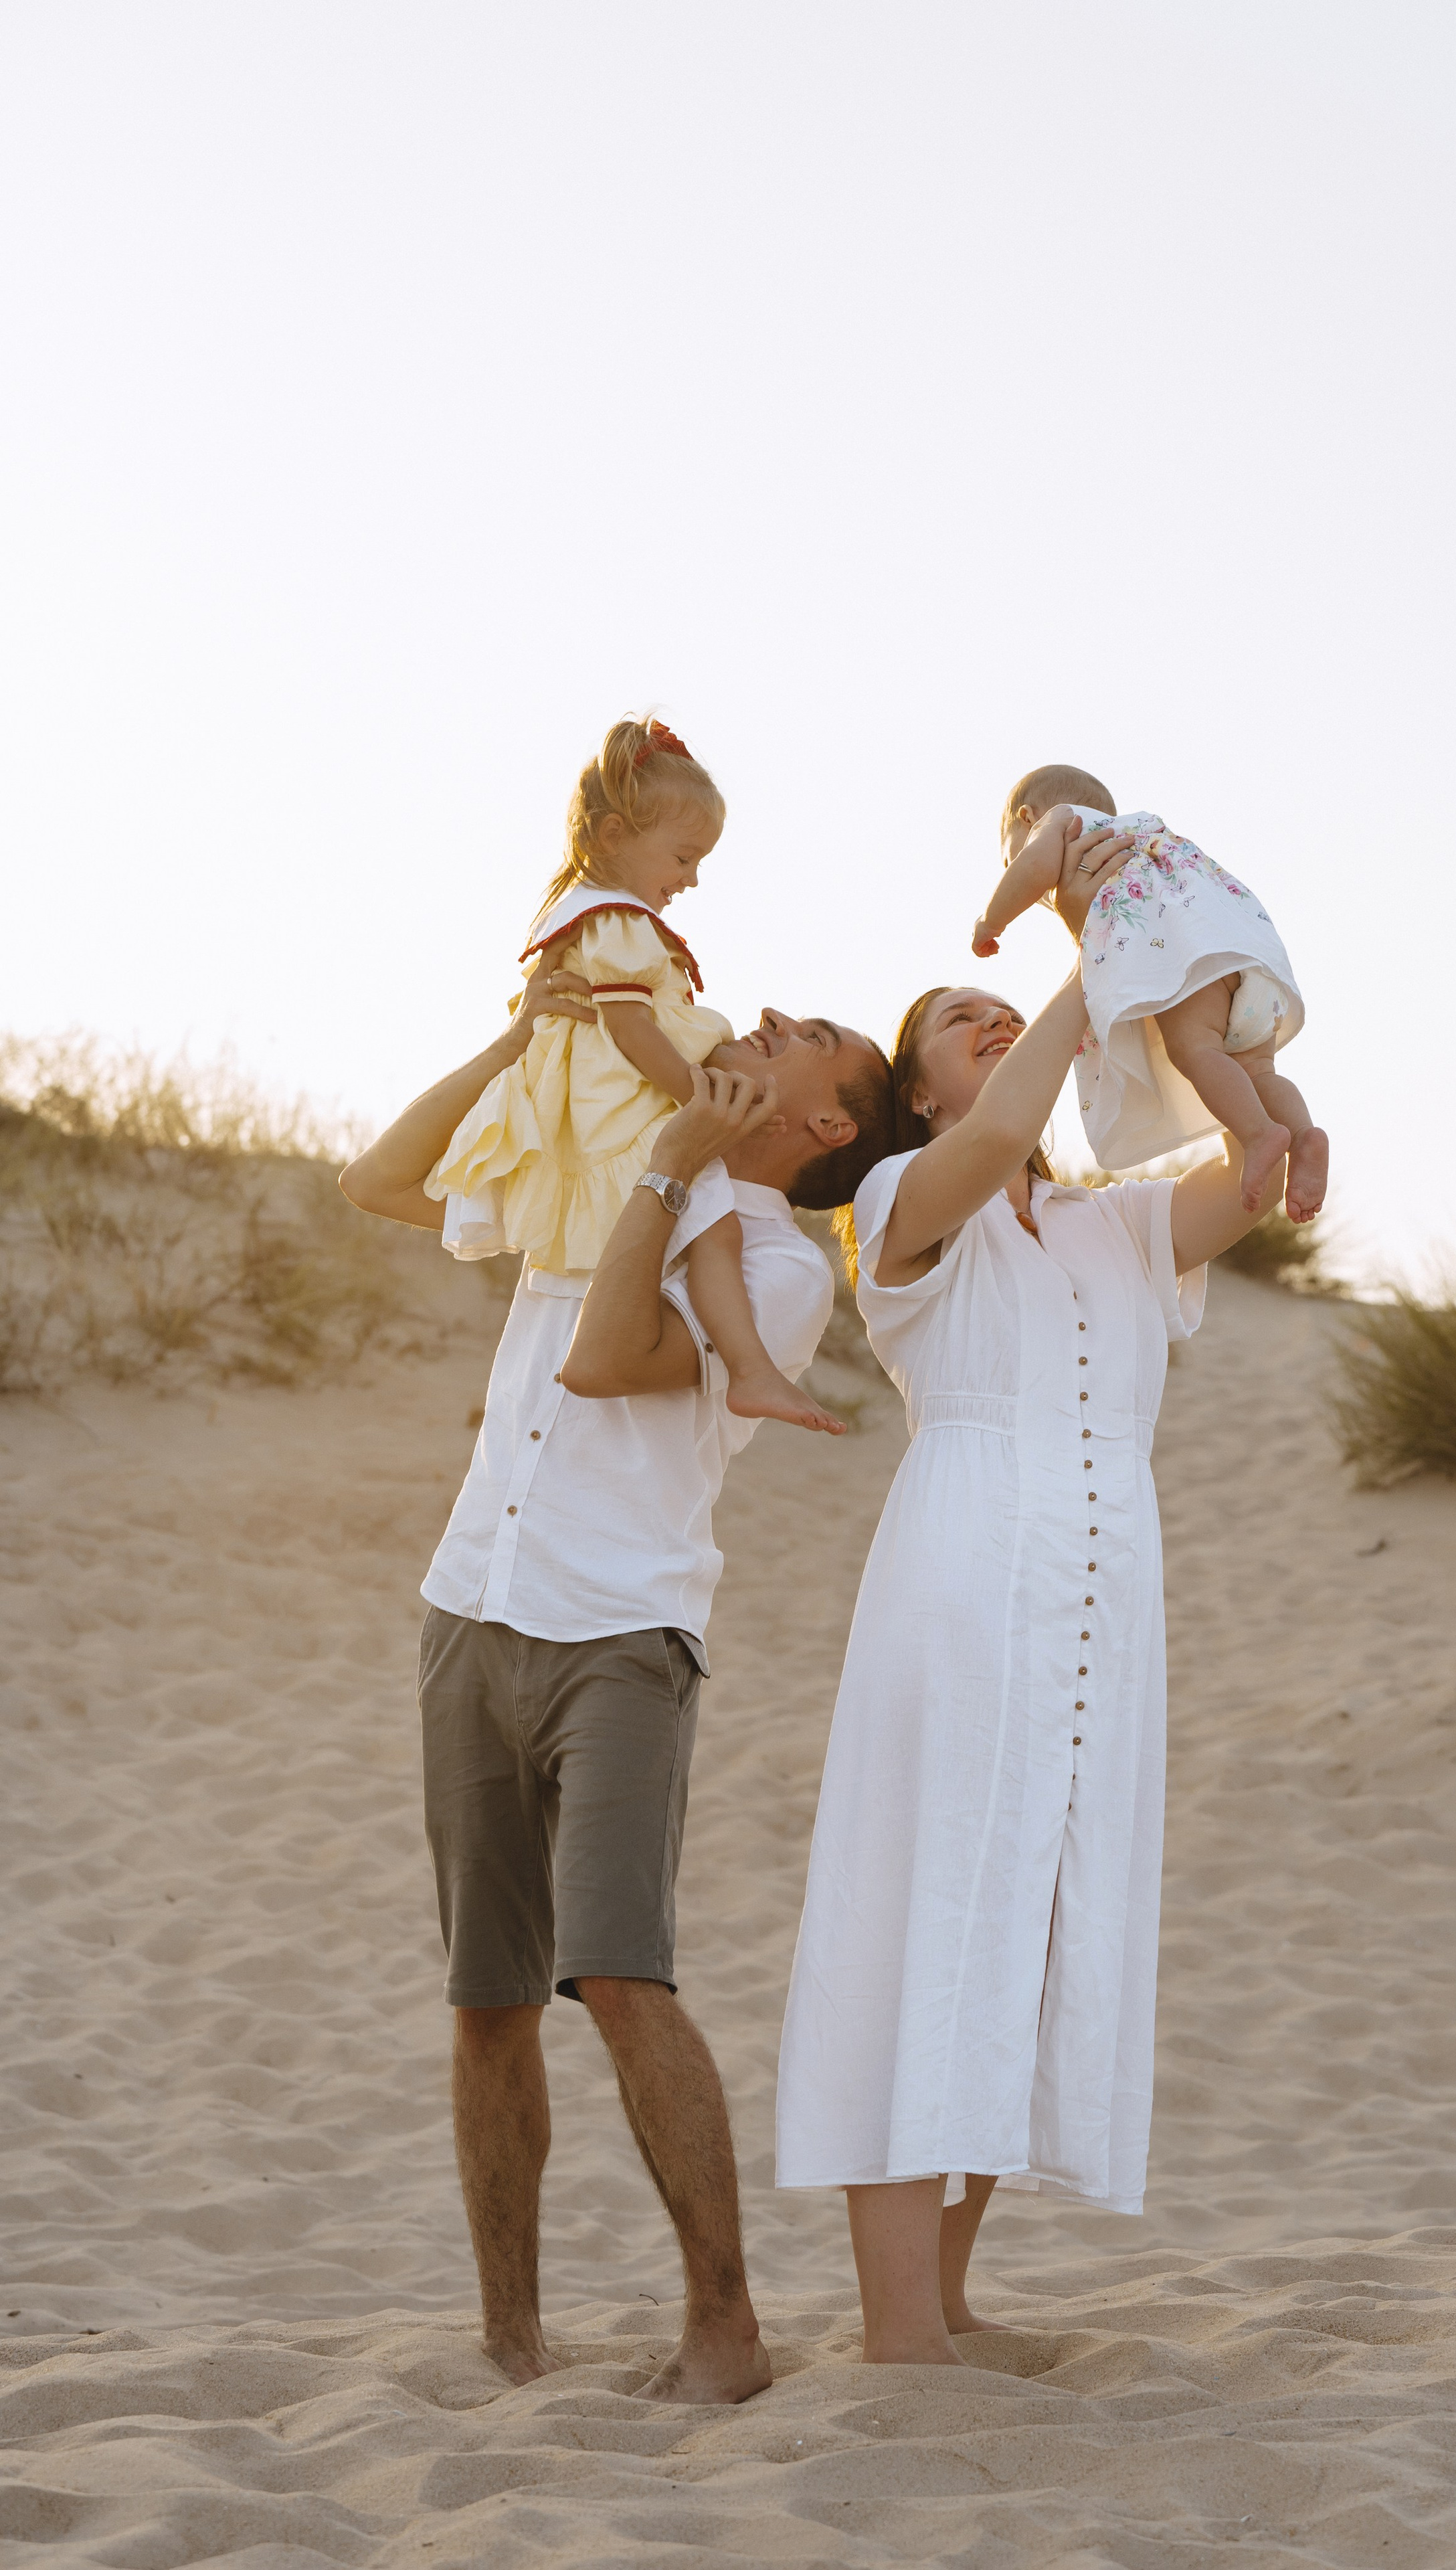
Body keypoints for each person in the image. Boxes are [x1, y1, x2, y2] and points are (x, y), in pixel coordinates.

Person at [339, 962, 893, 2399]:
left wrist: (668, 1158)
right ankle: (510, 2341)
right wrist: (523, 1039)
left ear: (828, 1126)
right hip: (471, 1605)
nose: (767, 1021)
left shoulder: (774, 1266)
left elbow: (600, 1362)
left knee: (620, 1975)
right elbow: (379, 1178)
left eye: (808, 1039)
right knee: (486, 1998)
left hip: (622, 1636)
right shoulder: (601, 1168)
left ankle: (725, 2326)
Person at [773, 819, 1283, 2365]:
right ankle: (892, 2330)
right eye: (957, 1023)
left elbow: (1251, 1174)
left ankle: (946, 2301)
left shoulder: (1116, 1222)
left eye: (997, 1011)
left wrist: (1181, 1018)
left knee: (1029, 1919)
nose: (990, 1028)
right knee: (920, 1912)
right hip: (963, 1571)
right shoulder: (908, 1213)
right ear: (915, 1092)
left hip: (1100, 1595)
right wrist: (1080, 963)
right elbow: (998, 1138)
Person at [427, 713, 841, 1432]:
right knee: (715, 1232)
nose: (691, 879)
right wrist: (701, 1097)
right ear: (616, 835)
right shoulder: (618, 922)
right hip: (625, 1111)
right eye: (683, 858)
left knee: (706, 1232)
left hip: (596, 1108)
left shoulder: (582, 914)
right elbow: (629, 1027)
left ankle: (748, 1370)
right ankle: (750, 1371)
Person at [973, 763, 1329, 1223]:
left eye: (1008, 858)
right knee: (1258, 1068)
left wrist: (993, 920)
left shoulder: (1060, 821)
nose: (1015, 870)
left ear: (1028, 818)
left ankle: (1260, 1135)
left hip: (1193, 954)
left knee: (1195, 1049)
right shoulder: (1142, 833)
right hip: (1250, 958)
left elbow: (1036, 865)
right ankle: (1303, 1136)